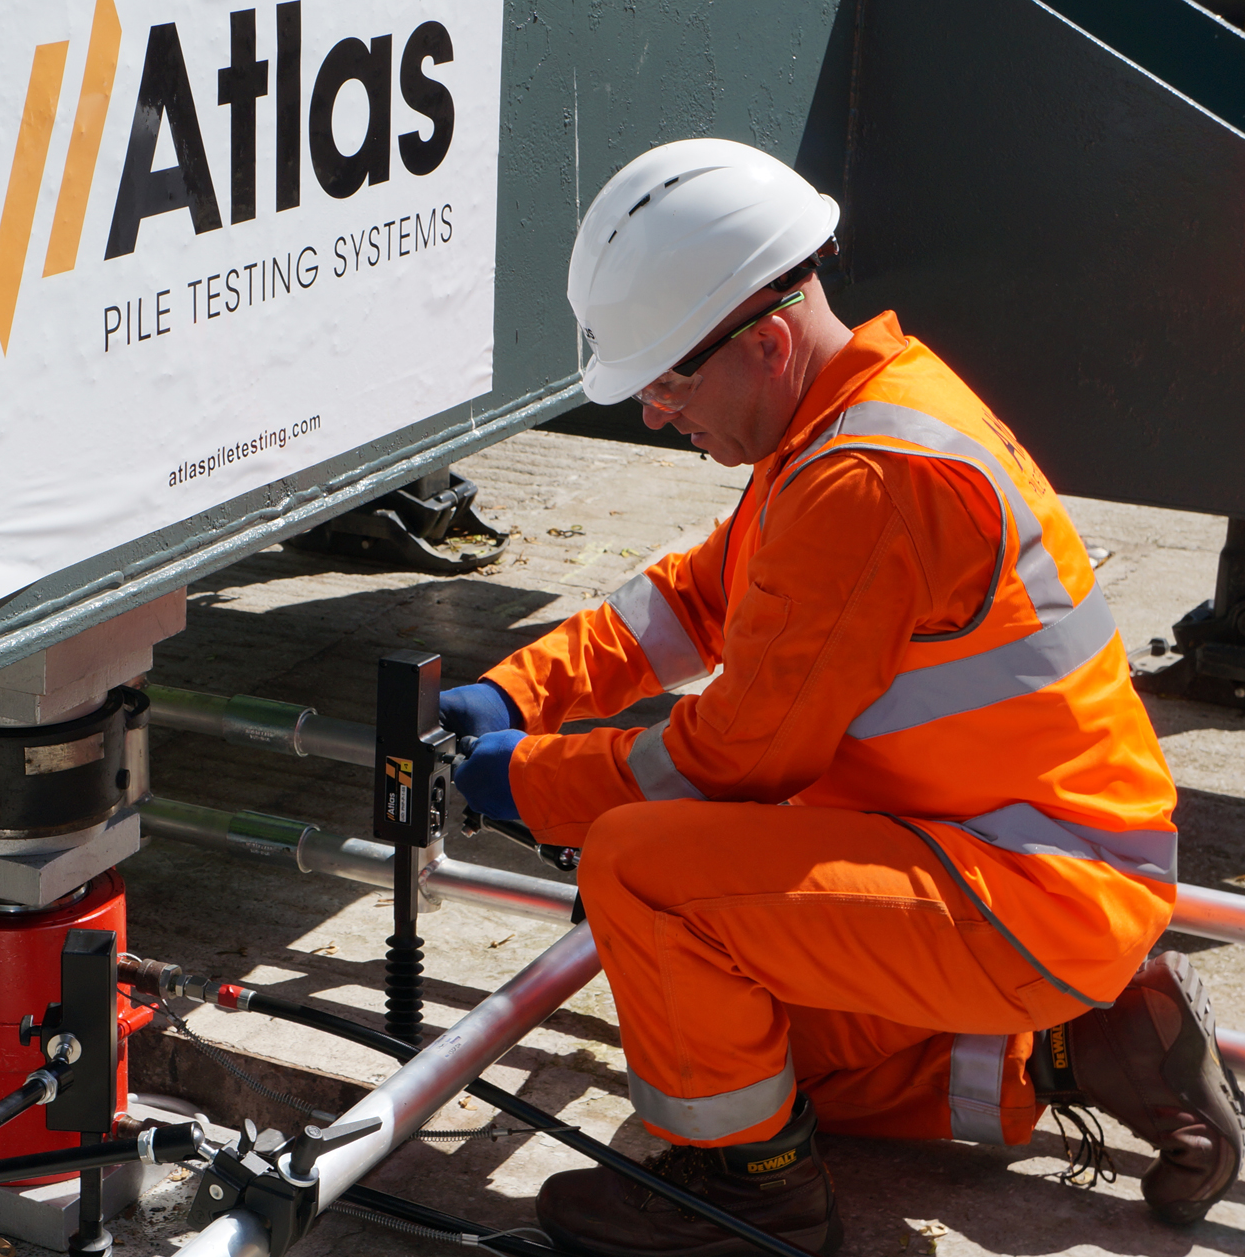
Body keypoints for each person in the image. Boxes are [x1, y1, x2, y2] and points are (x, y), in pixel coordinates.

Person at [444, 138, 1242, 1256]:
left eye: (668, 383)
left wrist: (528, 781)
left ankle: (745, 1196)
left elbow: (730, 758)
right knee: (741, 1048)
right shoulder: (841, 422)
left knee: (639, 871)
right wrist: (515, 690)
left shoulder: (866, 479)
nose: (656, 416)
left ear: (765, 341)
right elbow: (696, 599)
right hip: (1012, 866)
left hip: (1027, 888)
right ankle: (1082, 1050)